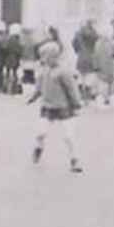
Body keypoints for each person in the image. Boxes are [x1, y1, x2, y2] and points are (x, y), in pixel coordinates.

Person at [27, 40, 84, 172]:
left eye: (45, 56)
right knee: (40, 132)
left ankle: (74, 159)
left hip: (64, 107)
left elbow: (72, 89)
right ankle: (38, 148)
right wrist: (33, 98)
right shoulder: (44, 70)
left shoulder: (63, 71)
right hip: (47, 107)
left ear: (53, 56)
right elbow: (40, 87)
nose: (42, 59)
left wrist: (76, 104)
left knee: (69, 136)